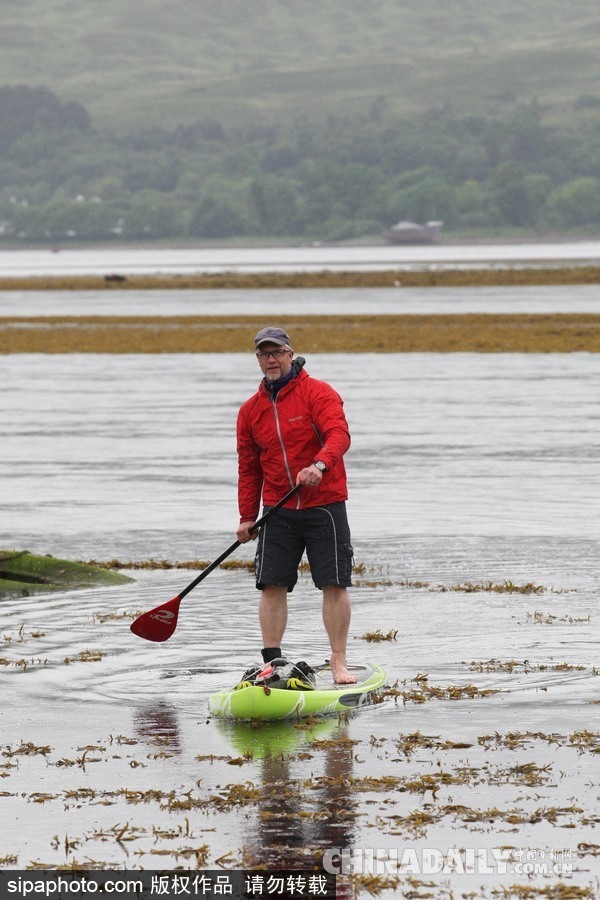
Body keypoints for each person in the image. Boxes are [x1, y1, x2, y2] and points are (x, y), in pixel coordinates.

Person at [236, 325, 357, 685]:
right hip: (278, 509)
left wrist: (319, 465)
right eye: (263, 354)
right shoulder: (250, 411)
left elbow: (340, 434)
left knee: (333, 584)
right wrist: (246, 517)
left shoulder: (318, 393)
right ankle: (272, 663)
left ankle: (338, 661)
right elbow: (249, 468)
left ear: (291, 354)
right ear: (258, 359)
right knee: (271, 586)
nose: (270, 359)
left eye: (277, 352)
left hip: (324, 504)